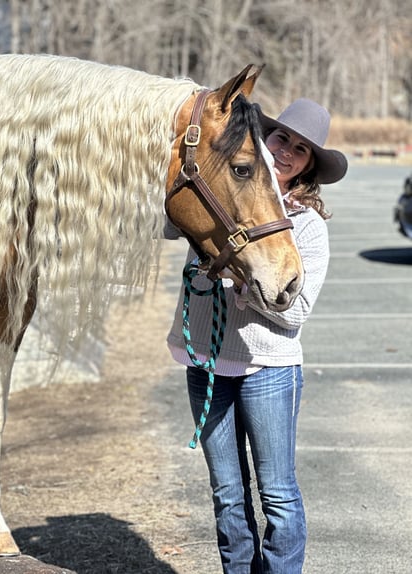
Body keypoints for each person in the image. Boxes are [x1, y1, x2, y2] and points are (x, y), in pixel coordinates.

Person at [165, 98, 348, 573]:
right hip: (207, 363)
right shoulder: (220, 192)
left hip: (269, 370)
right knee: (227, 495)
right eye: (282, 138)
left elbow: (296, 312)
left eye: (301, 150)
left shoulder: (307, 227)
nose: (287, 152)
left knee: (278, 495)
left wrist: (244, 280)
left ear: (309, 166)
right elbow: (169, 218)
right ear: (263, 138)